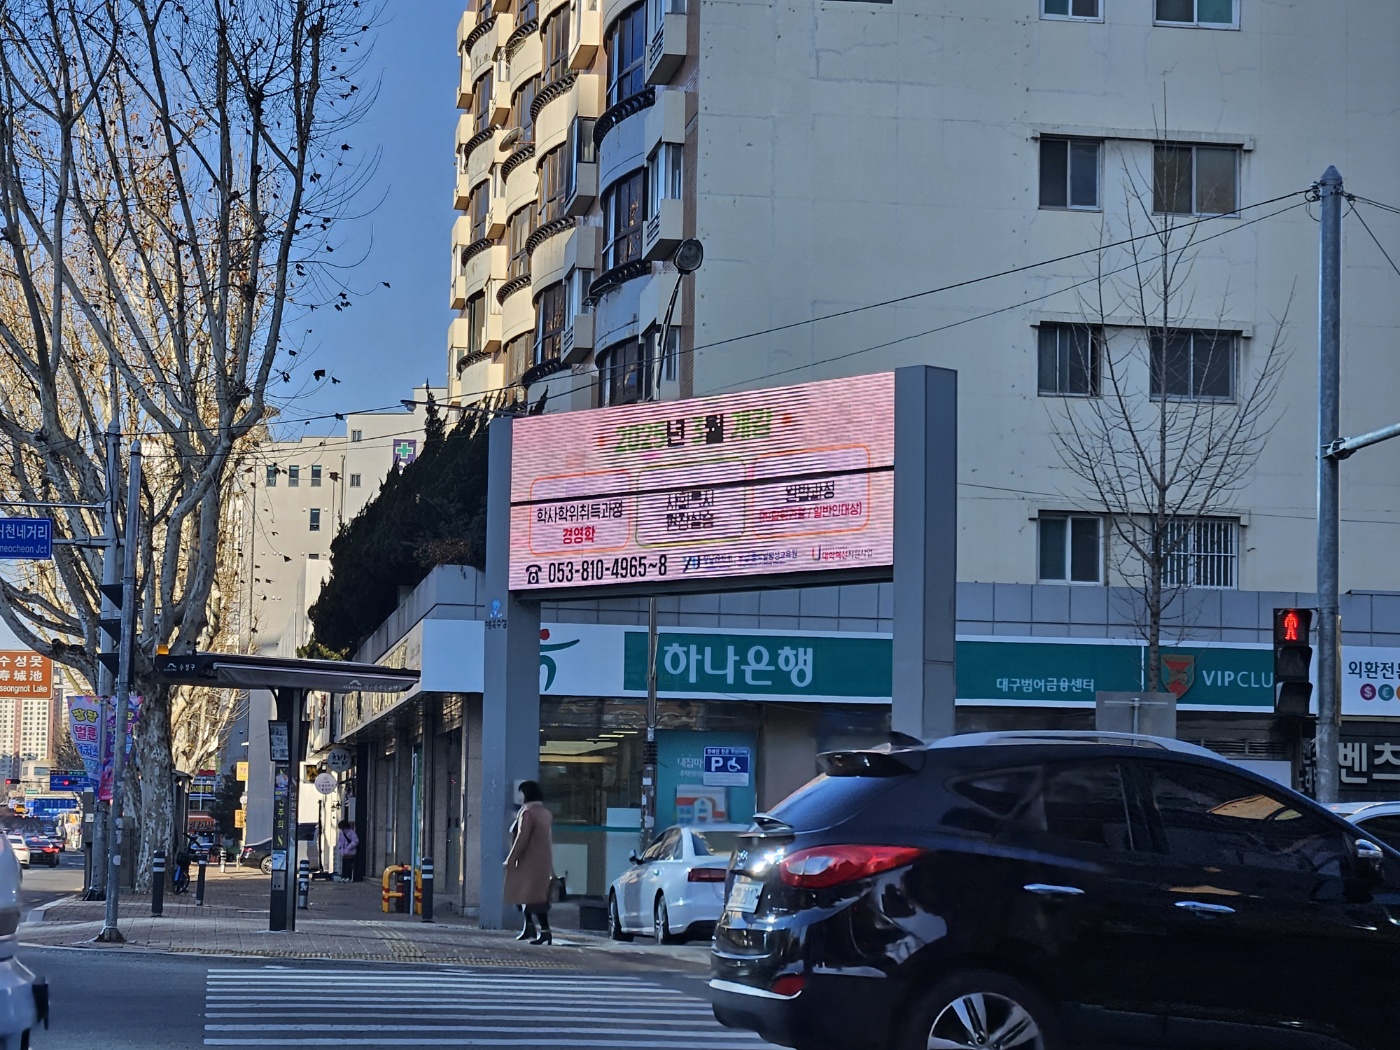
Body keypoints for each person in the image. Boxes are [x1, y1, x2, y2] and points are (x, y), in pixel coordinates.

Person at [504, 780, 554, 945]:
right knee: (530, 895)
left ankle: (544, 930)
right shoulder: (545, 813)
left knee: (530, 895)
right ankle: (530, 927)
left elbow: (522, 837)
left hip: (528, 860)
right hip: (543, 860)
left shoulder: (527, 812)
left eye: (521, 793)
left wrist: (511, 858)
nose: (520, 797)